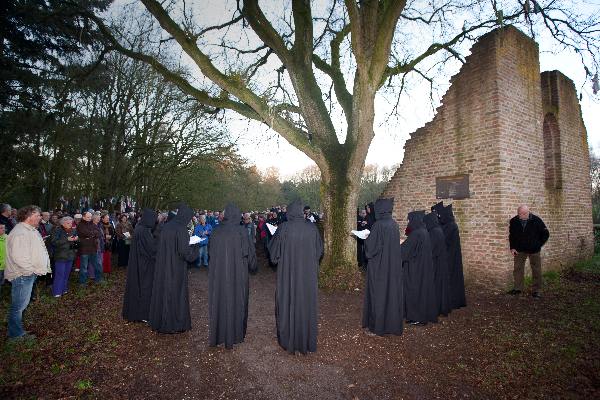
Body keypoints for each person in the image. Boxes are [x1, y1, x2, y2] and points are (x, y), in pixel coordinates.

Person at [268, 200, 323, 354]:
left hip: (288, 276)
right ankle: (306, 339)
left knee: (288, 302)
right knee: (305, 304)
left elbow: (273, 256)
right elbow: (319, 252)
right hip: (307, 276)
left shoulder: (284, 228)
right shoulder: (312, 228)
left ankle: (288, 339)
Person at [208, 204, 255, 349]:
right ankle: (234, 334)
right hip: (238, 274)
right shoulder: (241, 232)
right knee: (237, 301)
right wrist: (253, 266)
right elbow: (249, 253)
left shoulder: (216, 231)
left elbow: (211, 252)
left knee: (220, 300)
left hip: (220, 274)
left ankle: (220, 334)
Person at [149, 203, 199, 333]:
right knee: (175, 293)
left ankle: (161, 321)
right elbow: (184, 252)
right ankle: (173, 323)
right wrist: (194, 247)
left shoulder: (166, 226)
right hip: (176, 266)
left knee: (164, 291)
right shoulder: (181, 229)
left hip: (163, 265)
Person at [5, 205, 51, 340]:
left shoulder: (30, 230)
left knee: (22, 304)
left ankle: (15, 329)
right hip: (22, 275)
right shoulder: (20, 232)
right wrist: (31, 271)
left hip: (27, 274)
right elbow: (19, 257)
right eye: (37, 215)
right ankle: (15, 335)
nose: (40, 217)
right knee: (19, 306)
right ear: (29, 216)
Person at [362, 198, 404, 336]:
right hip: (391, 267)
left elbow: (371, 249)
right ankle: (391, 325)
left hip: (379, 268)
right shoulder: (394, 224)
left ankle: (377, 327)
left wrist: (367, 238)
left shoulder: (378, 225)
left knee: (378, 295)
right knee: (390, 295)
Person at [401, 211, 438, 325]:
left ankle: (417, 317)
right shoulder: (424, 231)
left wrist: (400, 244)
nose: (409, 222)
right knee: (421, 292)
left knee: (414, 291)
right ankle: (420, 316)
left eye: (410, 220)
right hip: (422, 267)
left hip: (415, 269)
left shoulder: (416, 233)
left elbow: (405, 251)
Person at [123, 209, 157, 322]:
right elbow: (151, 250)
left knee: (137, 287)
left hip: (138, 262)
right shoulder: (144, 231)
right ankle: (143, 315)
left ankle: (135, 312)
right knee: (145, 288)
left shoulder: (139, 228)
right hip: (144, 265)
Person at [508, 205, 550, 298]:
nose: (523, 215)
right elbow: (512, 236)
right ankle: (518, 289)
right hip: (519, 250)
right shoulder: (514, 221)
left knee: (536, 269)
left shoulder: (536, 220)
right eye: (520, 214)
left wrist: (538, 244)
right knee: (517, 269)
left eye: (525, 213)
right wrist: (512, 247)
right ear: (518, 213)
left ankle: (537, 290)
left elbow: (546, 233)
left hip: (534, 250)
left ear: (528, 212)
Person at [438, 204, 467, 309]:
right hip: (449, 255)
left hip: (451, 256)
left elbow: (442, 239)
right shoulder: (448, 225)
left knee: (452, 278)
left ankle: (453, 301)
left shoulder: (451, 226)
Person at [424, 212, 451, 316]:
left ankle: (436, 308)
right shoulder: (438, 229)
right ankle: (441, 307)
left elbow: (431, 249)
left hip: (437, 263)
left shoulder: (434, 232)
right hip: (441, 262)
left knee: (437, 287)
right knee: (441, 287)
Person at [50, 216, 78, 297]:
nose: (70, 224)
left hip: (70, 255)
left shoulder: (73, 230)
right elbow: (54, 242)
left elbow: (76, 242)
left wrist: (76, 239)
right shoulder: (57, 230)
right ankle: (57, 291)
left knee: (66, 274)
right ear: (63, 223)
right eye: (68, 223)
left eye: (71, 223)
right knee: (60, 274)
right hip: (60, 256)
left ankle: (64, 289)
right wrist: (67, 239)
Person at [77, 211, 102, 284]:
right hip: (84, 249)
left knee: (97, 265)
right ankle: (82, 282)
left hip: (93, 248)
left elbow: (99, 233)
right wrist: (92, 234)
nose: (89, 218)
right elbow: (85, 233)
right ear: (83, 217)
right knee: (84, 267)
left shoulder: (92, 224)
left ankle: (98, 279)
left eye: (90, 217)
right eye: (88, 217)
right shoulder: (80, 225)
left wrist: (91, 235)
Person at [0, 223, 7, 295]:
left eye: (4, 228)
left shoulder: (7, 237)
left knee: (2, 282)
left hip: (6, 265)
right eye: (1, 228)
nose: (3, 229)